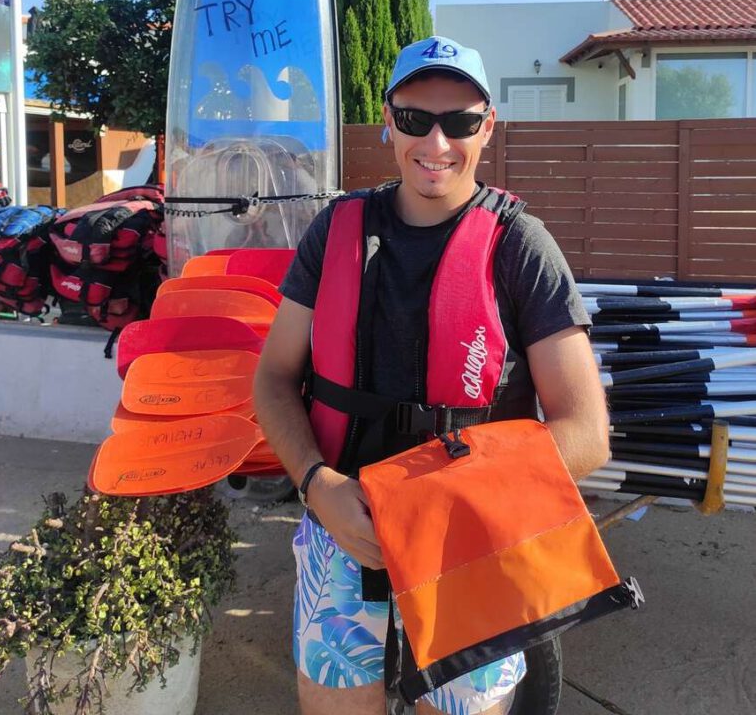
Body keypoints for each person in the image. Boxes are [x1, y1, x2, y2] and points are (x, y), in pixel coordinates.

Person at [254, 35, 609, 715]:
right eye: (416, 119)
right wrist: (314, 481)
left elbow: (587, 434)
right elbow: (273, 378)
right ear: (388, 120)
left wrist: (438, 503)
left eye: (460, 122)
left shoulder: (522, 247)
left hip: (470, 548)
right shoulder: (336, 232)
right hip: (342, 524)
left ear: (488, 127)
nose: (436, 142)